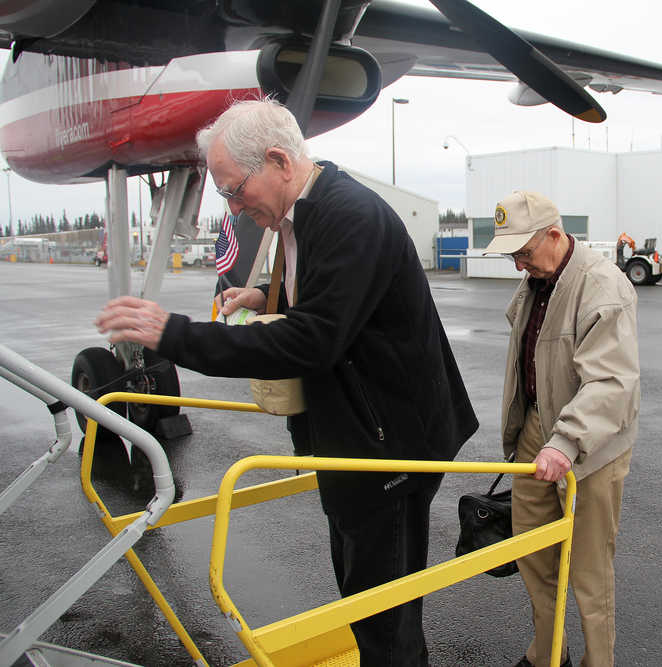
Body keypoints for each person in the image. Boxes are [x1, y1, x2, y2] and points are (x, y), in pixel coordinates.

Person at [95, 98, 478, 666]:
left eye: (232, 189)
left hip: (388, 451)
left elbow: (312, 340)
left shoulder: (348, 217)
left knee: (385, 617)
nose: (232, 205)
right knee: (364, 600)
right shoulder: (302, 215)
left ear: (278, 160)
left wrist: (173, 334)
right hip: (353, 439)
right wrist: (264, 298)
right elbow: (332, 306)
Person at [485, 191, 639, 667]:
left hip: (590, 446)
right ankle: (549, 652)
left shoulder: (602, 285)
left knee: (590, 571)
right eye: (512, 255)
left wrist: (566, 441)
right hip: (538, 430)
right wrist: (526, 435)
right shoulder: (536, 279)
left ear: (555, 235)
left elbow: (612, 381)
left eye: (524, 253)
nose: (518, 266)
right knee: (533, 553)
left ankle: (598, 660)